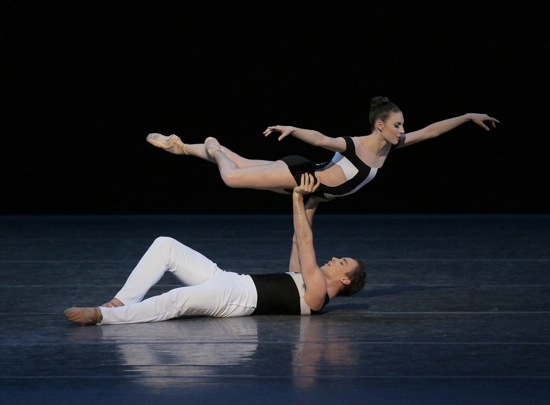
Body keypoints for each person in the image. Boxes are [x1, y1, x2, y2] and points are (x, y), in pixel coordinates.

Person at [64, 173, 367, 325]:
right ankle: (119, 301)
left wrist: (297, 198)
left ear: (344, 280)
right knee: (165, 245)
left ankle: (104, 317)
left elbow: (305, 241)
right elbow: (297, 240)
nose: (334, 259)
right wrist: (315, 201)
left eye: (341, 262)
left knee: (176, 300)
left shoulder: (318, 295)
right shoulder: (308, 279)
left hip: (236, 299)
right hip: (230, 279)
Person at [146, 96, 499, 200]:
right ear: (380, 126)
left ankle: (182, 148)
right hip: (301, 173)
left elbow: (433, 131)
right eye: (397, 125)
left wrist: (468, 115)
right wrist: (293, 128)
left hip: (310, 191)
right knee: (231, 177)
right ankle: (212, 147)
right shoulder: (355, 144)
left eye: (403, 126)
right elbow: (321, 139)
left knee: (243, 163)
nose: (403, 131)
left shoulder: (395, 145)